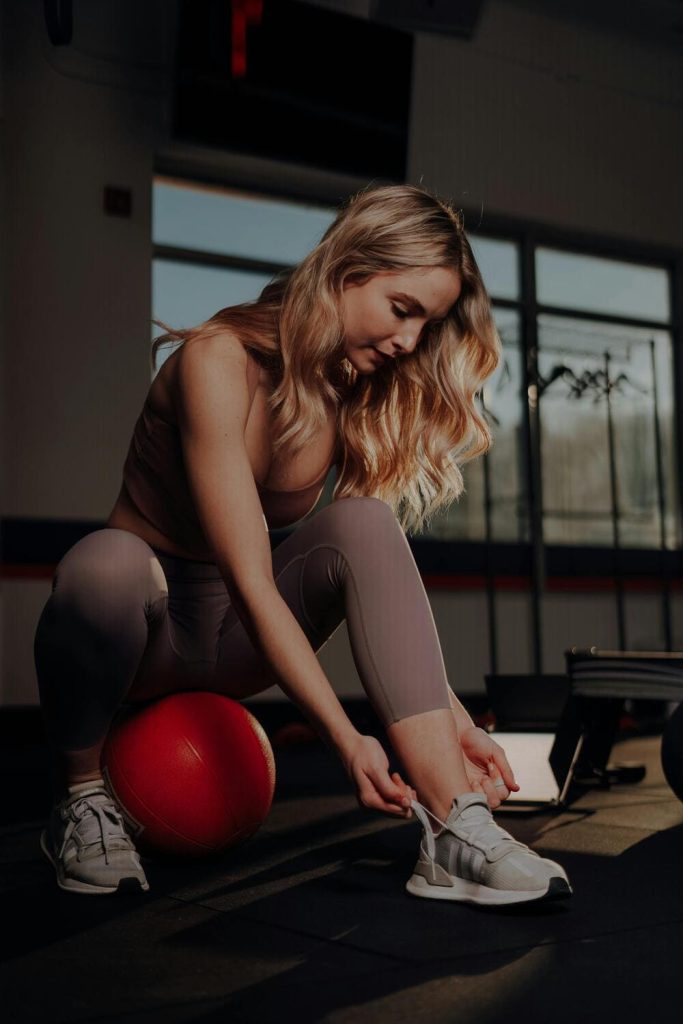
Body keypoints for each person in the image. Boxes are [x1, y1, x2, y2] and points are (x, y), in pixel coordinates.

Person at [34, 183, 572, 906]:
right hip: (147, 635)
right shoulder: (216, 361)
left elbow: (372, 576)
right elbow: (253, 579)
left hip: (233, 646)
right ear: (347, 271)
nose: (410, 342)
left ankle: (453, 826)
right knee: (102, 565)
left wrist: (455, 719)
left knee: (365, 522)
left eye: (427, 325)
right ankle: (82, 798)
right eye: (402, 309)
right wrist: (347, 740)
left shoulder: (346, 389)